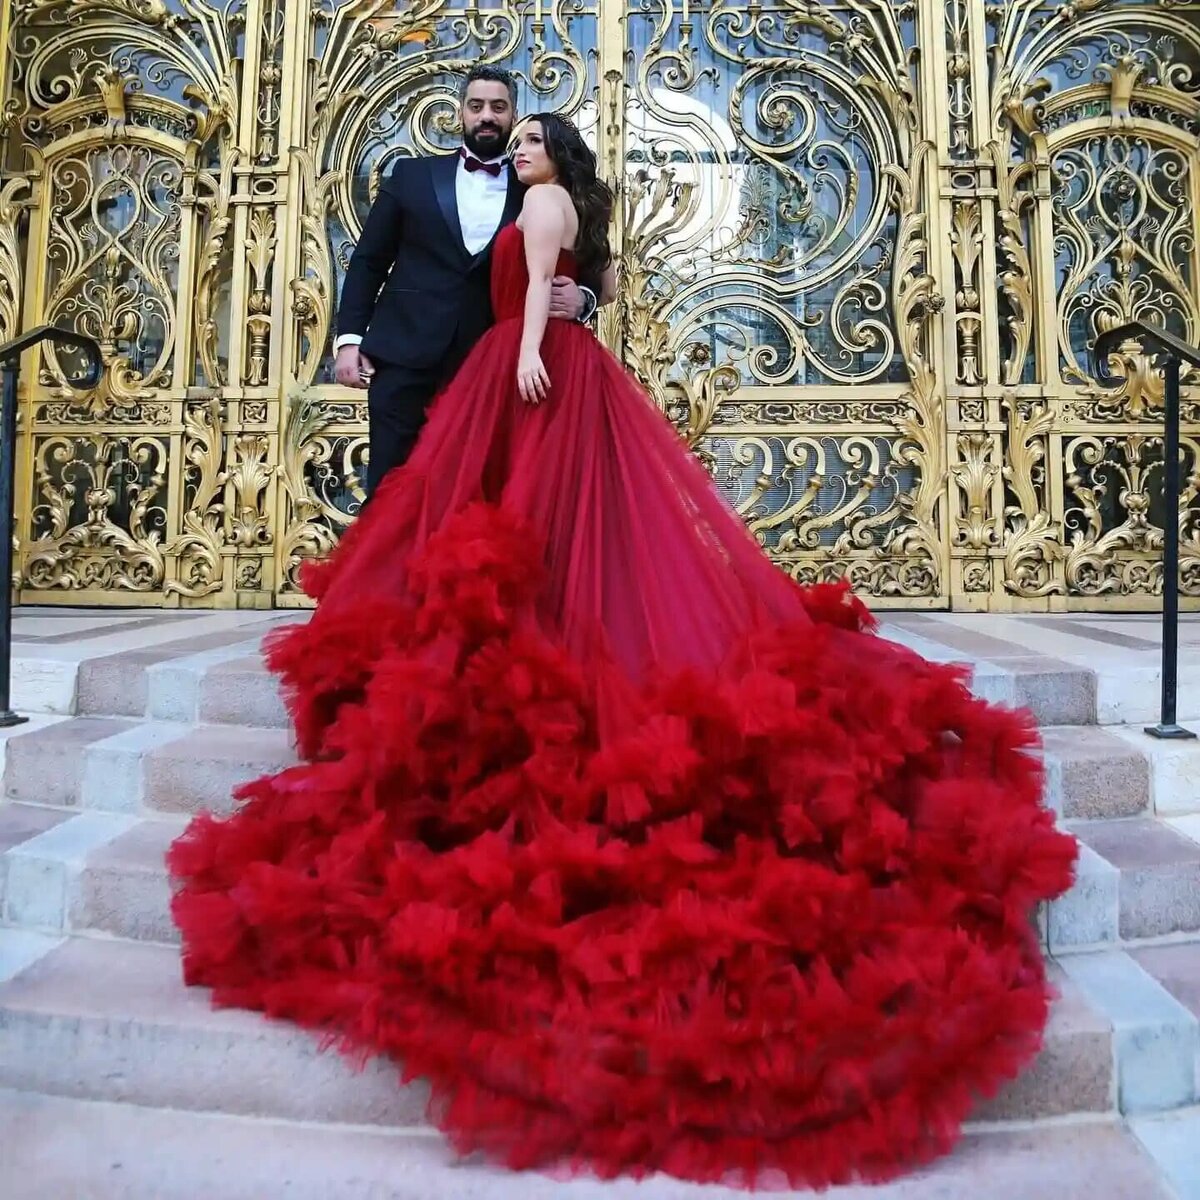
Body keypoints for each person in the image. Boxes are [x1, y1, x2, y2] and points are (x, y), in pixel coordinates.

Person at [168, 112, 1077, 1189]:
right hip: (493, 363)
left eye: (530, 137)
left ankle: (557, 632)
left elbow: (557, 269)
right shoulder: (482, 192)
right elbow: (485, 264)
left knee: (538, 530)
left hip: (531, 373)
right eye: (509, 135)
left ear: (551, 152)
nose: (513, 148)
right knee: (520, 532)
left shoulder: (541, 203)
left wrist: (551, 334)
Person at [333, 65, 603, 493]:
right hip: (403, 354)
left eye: (499, 107)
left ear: (513, 115)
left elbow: (585, 259)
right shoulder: (411, 176)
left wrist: (583, 300)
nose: (487, 116)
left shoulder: (534, 183)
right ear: (460, 112)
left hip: (489, 363)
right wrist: (349, 339)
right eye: (476, 106)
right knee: (391, 489)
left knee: (472, 495)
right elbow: (369, 260)